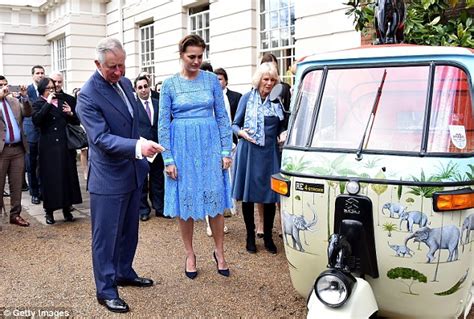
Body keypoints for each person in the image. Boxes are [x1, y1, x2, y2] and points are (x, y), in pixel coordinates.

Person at [76, 37, 163, 313]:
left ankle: (124, 272)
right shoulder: (87, 95)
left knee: (129, 232)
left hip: (133, 170)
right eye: (112, 67)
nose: (119, 72)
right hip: (108, 178)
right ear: (97, 64)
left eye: (122, 65)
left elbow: (131, 122)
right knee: (106, 238)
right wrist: (138, 146)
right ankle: (105, 289)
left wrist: (144, 148)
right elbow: (100, 138)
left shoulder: (125, 84)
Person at [158, 34, 232, 279]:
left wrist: (225, 150)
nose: (197, 61)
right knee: (185, 202)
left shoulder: (212, 80)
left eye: (200, 56)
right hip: (182, 148)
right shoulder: (169, 85)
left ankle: (219, 252)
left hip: (210, 146)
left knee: (216, 201)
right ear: (181, 55)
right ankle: (190, 253)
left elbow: (222, 117)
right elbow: (163, 125)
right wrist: (168, 158)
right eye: (192, 56)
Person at [231, 62, 285, 254]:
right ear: (259, 80)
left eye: (272, 80)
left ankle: (269, 237)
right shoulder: (247, 98)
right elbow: (234, 124)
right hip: (249, 152)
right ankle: (250, 236)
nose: (269, 83)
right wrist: (242, 134)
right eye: (266, 79)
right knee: (248, 196)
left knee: (270, 197)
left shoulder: (277, 102)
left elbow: (282, 127)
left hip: (269, 153)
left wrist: (283, 133)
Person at [31, 77, 82, 224]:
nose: (53, 91)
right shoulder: (38, 103)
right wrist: (48, 103)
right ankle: (50, 212)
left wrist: (70, 113)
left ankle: (67, 208)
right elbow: (37, 120)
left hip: (64, 145)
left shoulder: (61, 102)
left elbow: (75, 122)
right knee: (50, 179)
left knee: (66, 177)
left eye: (53, 88)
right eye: (49, 89)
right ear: (43, 90)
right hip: (48, 147)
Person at [255, 53, 292, 238]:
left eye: (272, 66)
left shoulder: (285, 88)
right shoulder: (255, 92)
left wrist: (284, 131)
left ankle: (282, 222)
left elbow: (289, 114)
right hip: (263, 143)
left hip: (281, 142)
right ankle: (261, 223)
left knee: (280, 184)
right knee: (262, 184)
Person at [0, 75, 32, 227]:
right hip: (2, 151)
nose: (4, 88)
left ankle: (15, 214)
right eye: (0, 85)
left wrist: (25, 98)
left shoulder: (13, 101)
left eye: (6, 84)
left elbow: (28, 113)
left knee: (17, 183)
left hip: (18, 149)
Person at [134, 74, 167, 221]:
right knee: (142, 180)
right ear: (136, 89)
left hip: (157, 147)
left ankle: (159, 208)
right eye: (140, 87)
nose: (143, 90)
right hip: (141, 148)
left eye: (145, 86)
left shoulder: (158, 103)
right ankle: (143, 210)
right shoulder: (133, 106)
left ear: (149, 87)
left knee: (158, 179)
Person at [25, 65, 44, 205]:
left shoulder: (47, 89)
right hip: (31, 131)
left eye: (42, 73)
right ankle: (34, 192)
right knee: (31, 164)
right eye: (37, 73)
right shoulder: (27, 91)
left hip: (44, 132)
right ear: (32, 75)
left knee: (43, 164)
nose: (40, 75)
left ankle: (43, 190)